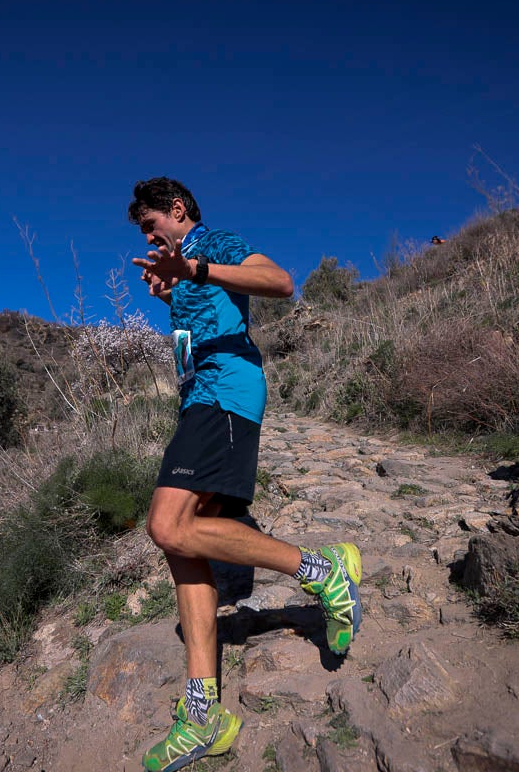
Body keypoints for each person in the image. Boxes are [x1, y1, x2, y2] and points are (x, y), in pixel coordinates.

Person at [128, 178, 362, 772]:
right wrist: (168, 290)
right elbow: (199, 324)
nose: (151, 238)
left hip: (224, 394)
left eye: (153, 226)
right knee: (184, 542)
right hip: (199, 397)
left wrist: (196, 268)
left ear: (178, 211)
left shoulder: (219, 243)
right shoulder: (186, 266)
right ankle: (203, 716)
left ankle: (321, 569)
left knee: (167, 525)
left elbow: (282, 283)